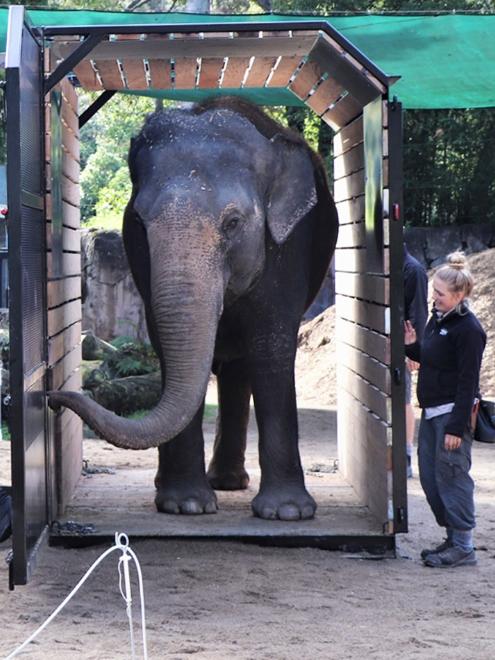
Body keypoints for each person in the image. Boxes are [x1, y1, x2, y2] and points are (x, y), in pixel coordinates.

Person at [404, 251, 486, 568]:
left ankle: (464, 546)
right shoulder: (438, 318)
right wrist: (412, 345)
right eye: (433, 291)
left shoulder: (469, 330)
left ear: (459, 295)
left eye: (439, 293)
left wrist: (456, 427)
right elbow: (432, 359)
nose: (433, 298)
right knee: (431, 478)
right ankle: (453, 539)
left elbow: (468, 383)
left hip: (452, 416)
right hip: (432, 412)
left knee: (452, 477)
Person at [403, 245, 428, 478]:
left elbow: (419, 313)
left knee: (402, 399)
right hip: (390, 343)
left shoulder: (413, 270)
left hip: (404, 343)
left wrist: (413, 352)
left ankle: (406, 455)